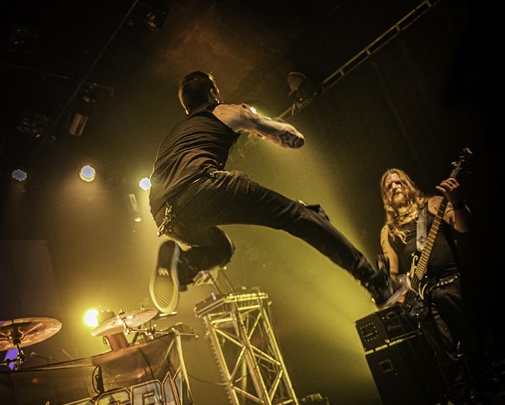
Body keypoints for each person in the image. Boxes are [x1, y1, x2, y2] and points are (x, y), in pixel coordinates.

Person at [148, 70, 399, 315]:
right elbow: (294, 136)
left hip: (163, 214)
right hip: (202, 187)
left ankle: (181, 264)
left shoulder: (172, 137)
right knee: (298, 216)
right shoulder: (222, 110)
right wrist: (261, 126)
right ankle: (376, 283)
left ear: (186, 108)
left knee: (221, 249)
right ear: (213, 93)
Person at [379, 167, 503, 405]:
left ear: (408, 184)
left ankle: (492, 399)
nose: (395, 187)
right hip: (424, 298)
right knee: (445, 357)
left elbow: (463, 227)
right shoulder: (388, 231)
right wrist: (399, 295)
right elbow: (392, 272)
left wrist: (456, 200)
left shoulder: (434, 204)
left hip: (452, 284)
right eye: (389, 186)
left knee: (473, 344)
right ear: (385, 195)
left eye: (399, 182)